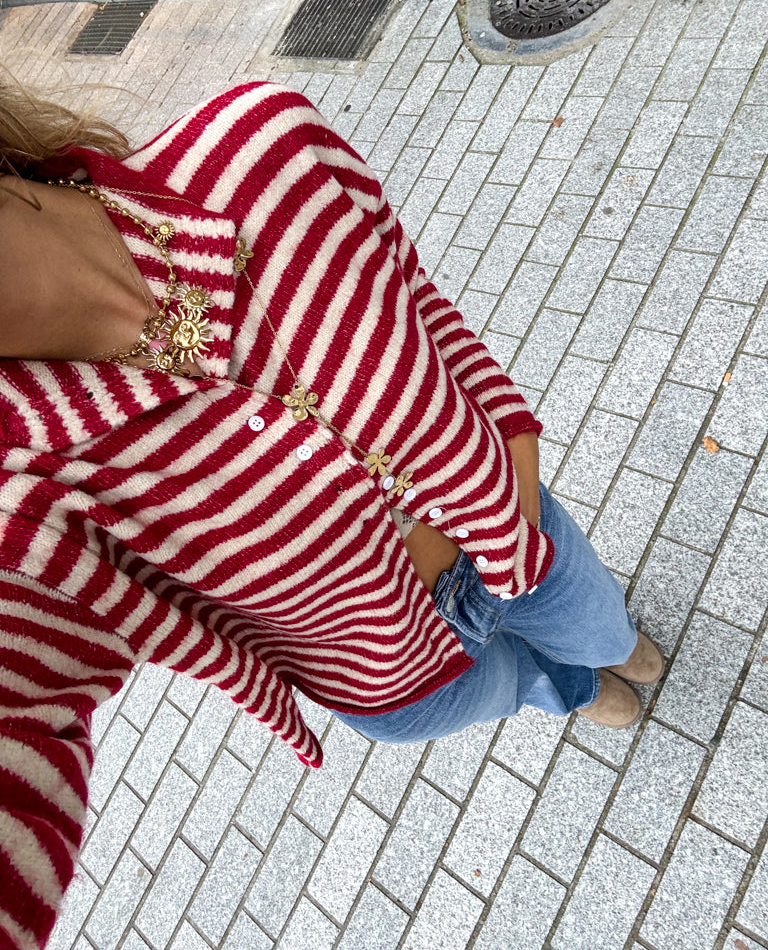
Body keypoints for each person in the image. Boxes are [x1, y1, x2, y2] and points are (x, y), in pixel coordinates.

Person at [0, 75, 663, 949]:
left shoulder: (263, 150)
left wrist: (511, 448)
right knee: (538, 685)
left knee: (611, 632)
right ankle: (570, 689)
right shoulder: (23, 499)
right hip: (391, 680)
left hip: (519, 531)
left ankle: (607, 653)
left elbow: (420, 299)